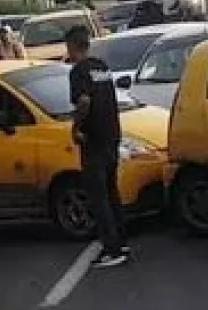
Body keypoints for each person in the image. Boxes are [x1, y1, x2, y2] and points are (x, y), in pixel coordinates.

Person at [65, 25, 129, 268]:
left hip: (93, 140)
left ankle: (111, 249)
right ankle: (121, 241)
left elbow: (83, 101)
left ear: (72, 46)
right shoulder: (102, 67)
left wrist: (76, 127)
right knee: (111, 192)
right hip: (112, 136)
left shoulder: (78, 72)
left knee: (98, 197)